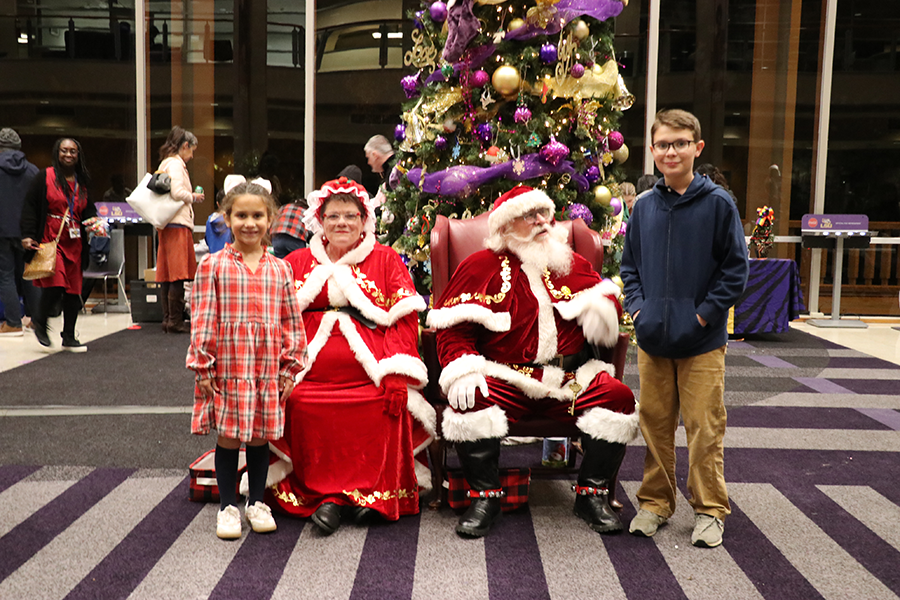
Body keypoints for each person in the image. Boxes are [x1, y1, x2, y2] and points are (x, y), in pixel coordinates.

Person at [427, 185, 639, 539]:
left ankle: (591, 494)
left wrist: (604, 311)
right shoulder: (478, 267)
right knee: (470, 400)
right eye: (530, 215)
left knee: (617, 398)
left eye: (544, 213)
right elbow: (453, 330)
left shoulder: (569, 261)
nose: (542, 221)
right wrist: (462, 370)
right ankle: (485, 497)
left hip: (568, 378)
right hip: (506, 378)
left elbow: (606, 304)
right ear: (507, 225)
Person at [266, 176, 435, 535]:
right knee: (299, 404)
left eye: (350, 216)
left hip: (370, 371)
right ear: (320, 221)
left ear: (364, 221)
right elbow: (279, 323)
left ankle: (369, 494)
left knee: (382, 406)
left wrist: (394, 373)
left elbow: (405, 320)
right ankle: (328, 497)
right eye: (333, 216)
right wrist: (282, 370)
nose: (342, 223)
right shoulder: (295, 261)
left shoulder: (387, 260)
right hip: (309, 372)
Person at [620, 109, 748, 549]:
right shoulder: (645, 208)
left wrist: (702, 316)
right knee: (654, 424)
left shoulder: (717, 205)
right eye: (663, 144)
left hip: (702, 342)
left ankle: (710, 509)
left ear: (697, 148)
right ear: (652, 151)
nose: (670, 151)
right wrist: (639, 311)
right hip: (653, 338)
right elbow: (629, 267)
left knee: (703, 426)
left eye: (679, 143)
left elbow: (735, 271)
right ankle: (655, 503)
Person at [187, 179, 308, 540]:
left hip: (267, 368)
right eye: (241, 215)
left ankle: (256, 502)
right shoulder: (213, 266)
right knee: (228, 437)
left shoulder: (281, 269)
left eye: (258, 215)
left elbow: (291, 321)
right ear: (227, 217)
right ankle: (227, 507)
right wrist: (203, 364)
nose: (249, 223)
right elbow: (203, 318)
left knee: (258, 438)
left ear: (270, 219)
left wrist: (290, 366)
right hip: (229, 366)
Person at [21, 138, 105, 352]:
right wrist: (28, 235)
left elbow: (88, 210)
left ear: (79, 155)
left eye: (73, 151)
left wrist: (95, 222)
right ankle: (39, 321)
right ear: (57, 153)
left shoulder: (82, 181)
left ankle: (69, 336)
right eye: (64, 151)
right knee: (56, 282)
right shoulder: (45, 177)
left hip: (75, 241)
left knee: (72, 291)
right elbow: (30, 206)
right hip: (52, 238)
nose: (68, 155)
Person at [155, 126, 205, 333]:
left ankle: (168, 318)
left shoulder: (165, 163)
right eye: (191, 150)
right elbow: (177, 192)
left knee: (167, 273)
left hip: (167, 224)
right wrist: (193, 196)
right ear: (185, 146)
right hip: (178, 224)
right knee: (178, 273)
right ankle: (175, 321)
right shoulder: (176, 164)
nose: (192, 156)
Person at [0, 128, 39, 336]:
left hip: (1, 232)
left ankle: (13, 322)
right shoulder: (32, 171)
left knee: (5, 276)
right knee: (29, 275)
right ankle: (37, 321)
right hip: (26, 233)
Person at [363, 135, 396, 199]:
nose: (368, 162)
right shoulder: (393, 168)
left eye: (368, 158)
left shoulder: (394, 171)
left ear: (375, 155)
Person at [204, 189, 230, 254]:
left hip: (213, 260)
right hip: (231, 260)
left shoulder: (209, 222)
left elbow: (207, 241)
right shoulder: (232, 221)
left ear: (218, 204)